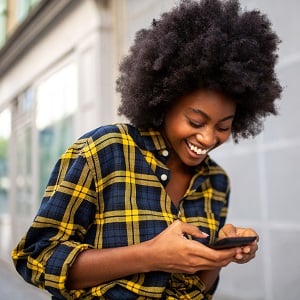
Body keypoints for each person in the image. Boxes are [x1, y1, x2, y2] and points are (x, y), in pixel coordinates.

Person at [12, 0, 282, 299]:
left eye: (222, 126)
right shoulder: (104, 152)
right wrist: (151, 255)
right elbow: (36, 258)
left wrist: (219, 256)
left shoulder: (216, 182)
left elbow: (194, 290)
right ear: (164, 102)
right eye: (195, 121)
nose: (207, 138)